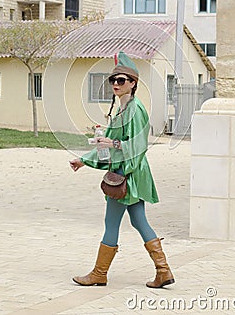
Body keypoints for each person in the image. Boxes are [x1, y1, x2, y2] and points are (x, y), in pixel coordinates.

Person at [70, 51, 175, 288]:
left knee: (111, 223)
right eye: (113, 80)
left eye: (122, 80)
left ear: (133, 83)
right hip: (131, 174)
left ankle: (99, 274)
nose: (116, 84)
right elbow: (109, 144)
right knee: (139, 221)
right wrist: (85, 159)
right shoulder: (122, 109)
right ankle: (163, 271)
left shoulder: (134, 109)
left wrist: (114, 144)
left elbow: (139, 145)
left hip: (127, 175)